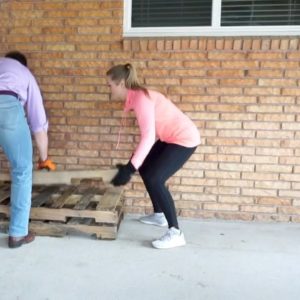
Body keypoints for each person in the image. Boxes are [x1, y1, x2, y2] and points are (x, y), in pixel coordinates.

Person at [108, 63, 200, 249]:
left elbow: (148, 138)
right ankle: (159, 215)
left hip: (184, 139)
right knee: (146, 168)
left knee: (156, 178)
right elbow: (149, 136)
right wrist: (131, 166)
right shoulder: (136, 98)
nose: (108, 88)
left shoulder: (141, 99)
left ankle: (176, 232)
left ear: (120, 83)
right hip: (169, 137)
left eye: (109, 84)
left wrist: (128, 168)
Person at [0, 51, 56, 248]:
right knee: (22, 171)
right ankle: (17, 233)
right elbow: (38, 125)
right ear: (24, 65)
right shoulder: (25, 74)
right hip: (7, 108)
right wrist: (44, 159)